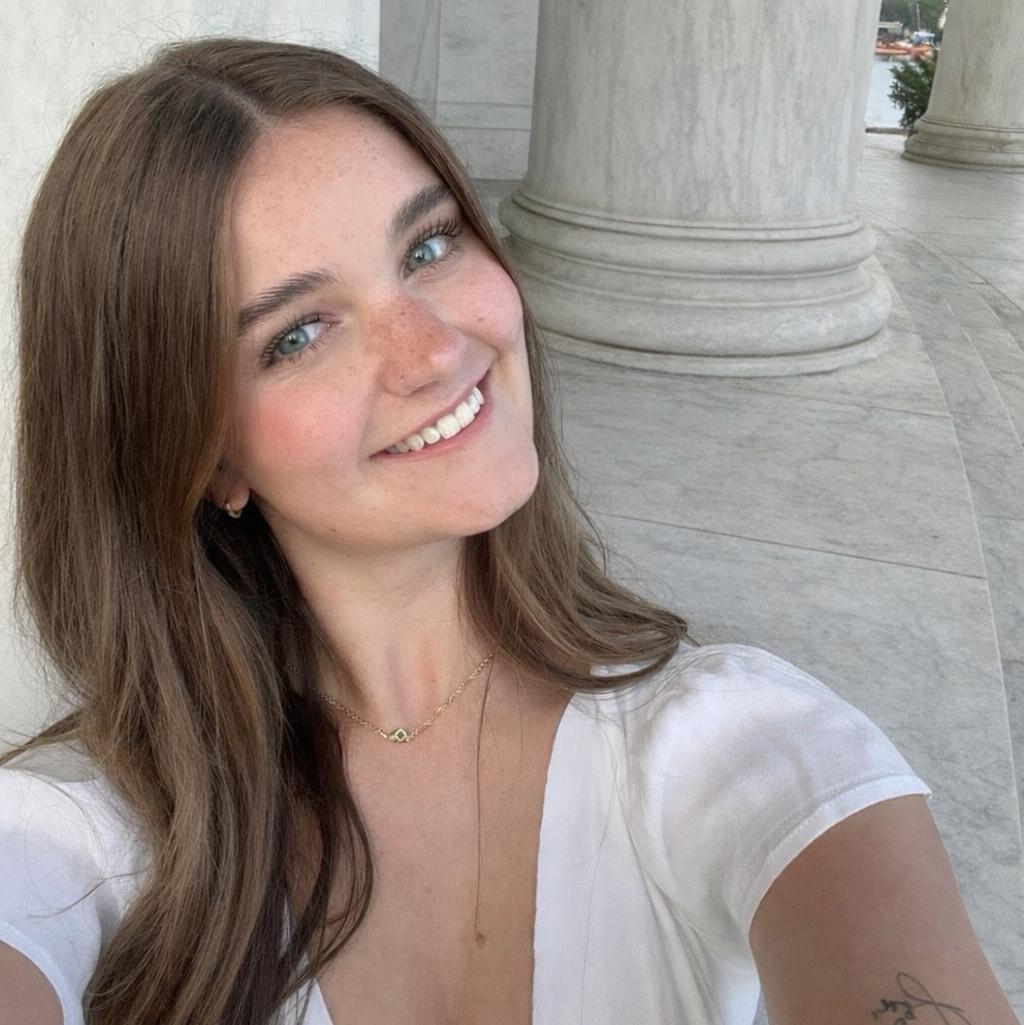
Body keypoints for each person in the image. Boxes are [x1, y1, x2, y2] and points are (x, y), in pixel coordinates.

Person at [0, 36, 1019, 1025]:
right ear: (202, 452)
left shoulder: (750, 744)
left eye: (429, 246)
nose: (436, 350)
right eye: (298, 333)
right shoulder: (77, 836)